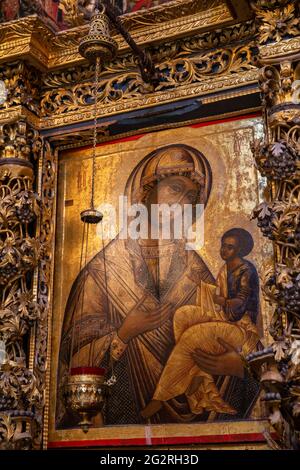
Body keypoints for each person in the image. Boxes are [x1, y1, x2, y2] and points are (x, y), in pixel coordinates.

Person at [57, 146, 259, 427]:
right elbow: (72, 351)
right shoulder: (104, 268)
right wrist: (124, 333)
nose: (182, 204)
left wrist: (237, 366)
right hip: (121, 413)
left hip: (198, 420)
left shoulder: (194, 267)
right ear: (147, 193)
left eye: (191, 197)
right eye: (174, 189)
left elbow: (232, 332)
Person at [141, 229, 260, 419]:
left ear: (240, 250)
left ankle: (160, 397)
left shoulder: (246, 270)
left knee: (192, 336)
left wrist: (216, 298)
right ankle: (198, 375)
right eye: (223, 246)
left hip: (241, 329)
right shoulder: (225, 268)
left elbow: (238, 306)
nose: (224, 251)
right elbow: (219, 296)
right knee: (183, 315)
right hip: (224, 319)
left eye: (230, 248)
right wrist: (203, 286)